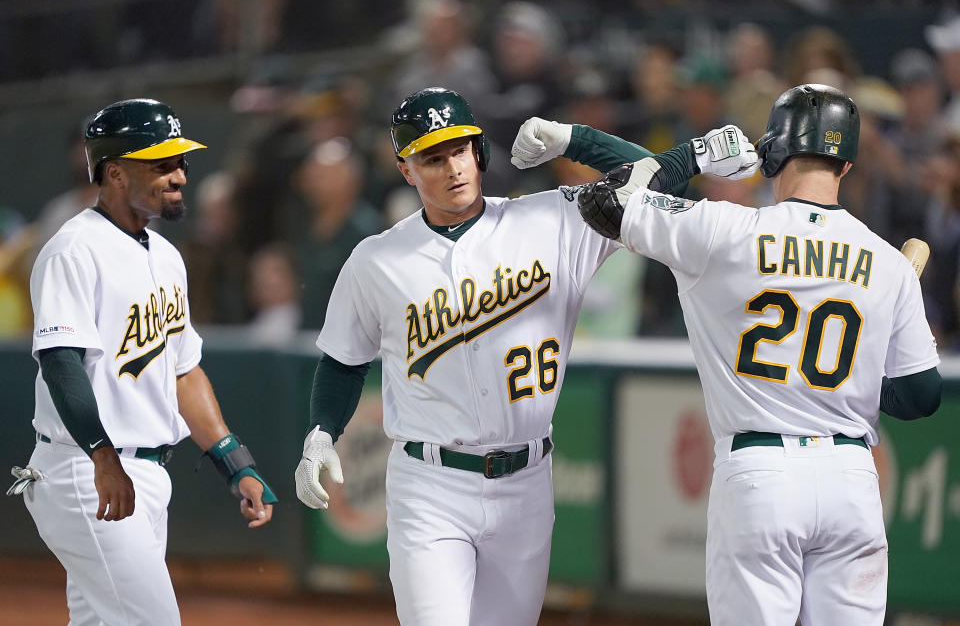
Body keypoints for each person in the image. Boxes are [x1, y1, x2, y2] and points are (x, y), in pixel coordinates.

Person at [293, 86, 759, 625]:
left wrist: (573, 139)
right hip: (430, 483)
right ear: (406, 170)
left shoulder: (552, 220)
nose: (452, 168)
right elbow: (344, 360)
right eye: (433, 158)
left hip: (527, 481)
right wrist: (322, 431)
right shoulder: (375, 260)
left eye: (460, 150)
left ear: (480, 152)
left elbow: (643, 181)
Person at [572, 84, 942, 625]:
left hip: (761, 473)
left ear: (774, 150)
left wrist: (692, 156)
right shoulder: (886, 263)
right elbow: (920, 395)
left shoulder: (725, 228)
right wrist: (862, 379)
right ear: (846, 164)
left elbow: (602, 201)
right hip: (851, 479)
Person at [12, 98, 277, 625]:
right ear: (114, 172)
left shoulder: (165, 255)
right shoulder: (74, 249)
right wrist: (103, 460)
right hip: (87, 471)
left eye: (180, 162)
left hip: (146, 472)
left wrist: (234, 463)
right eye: (161, 164)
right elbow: (61, 364)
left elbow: (183, 370)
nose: (178, 175)